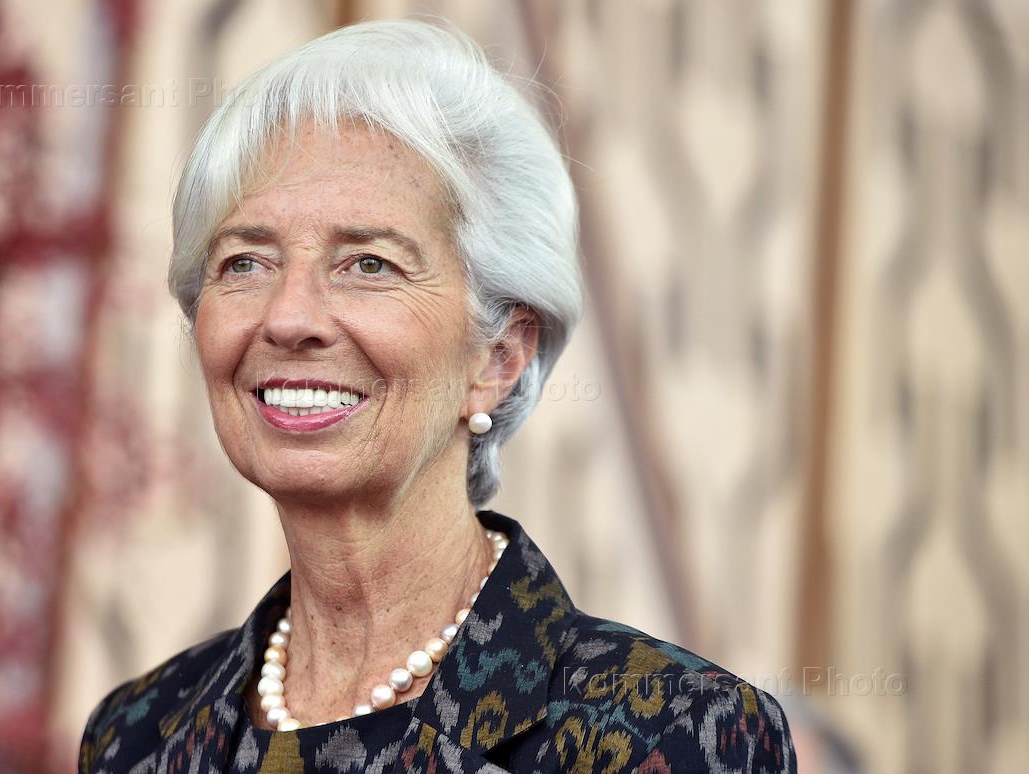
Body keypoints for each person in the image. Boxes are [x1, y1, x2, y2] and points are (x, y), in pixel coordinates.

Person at [79, 18, 796, 773]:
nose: (288, 317)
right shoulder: (137, 734)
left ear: (498, 358)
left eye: (369, 264)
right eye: (245, 263)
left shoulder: (673, 731)